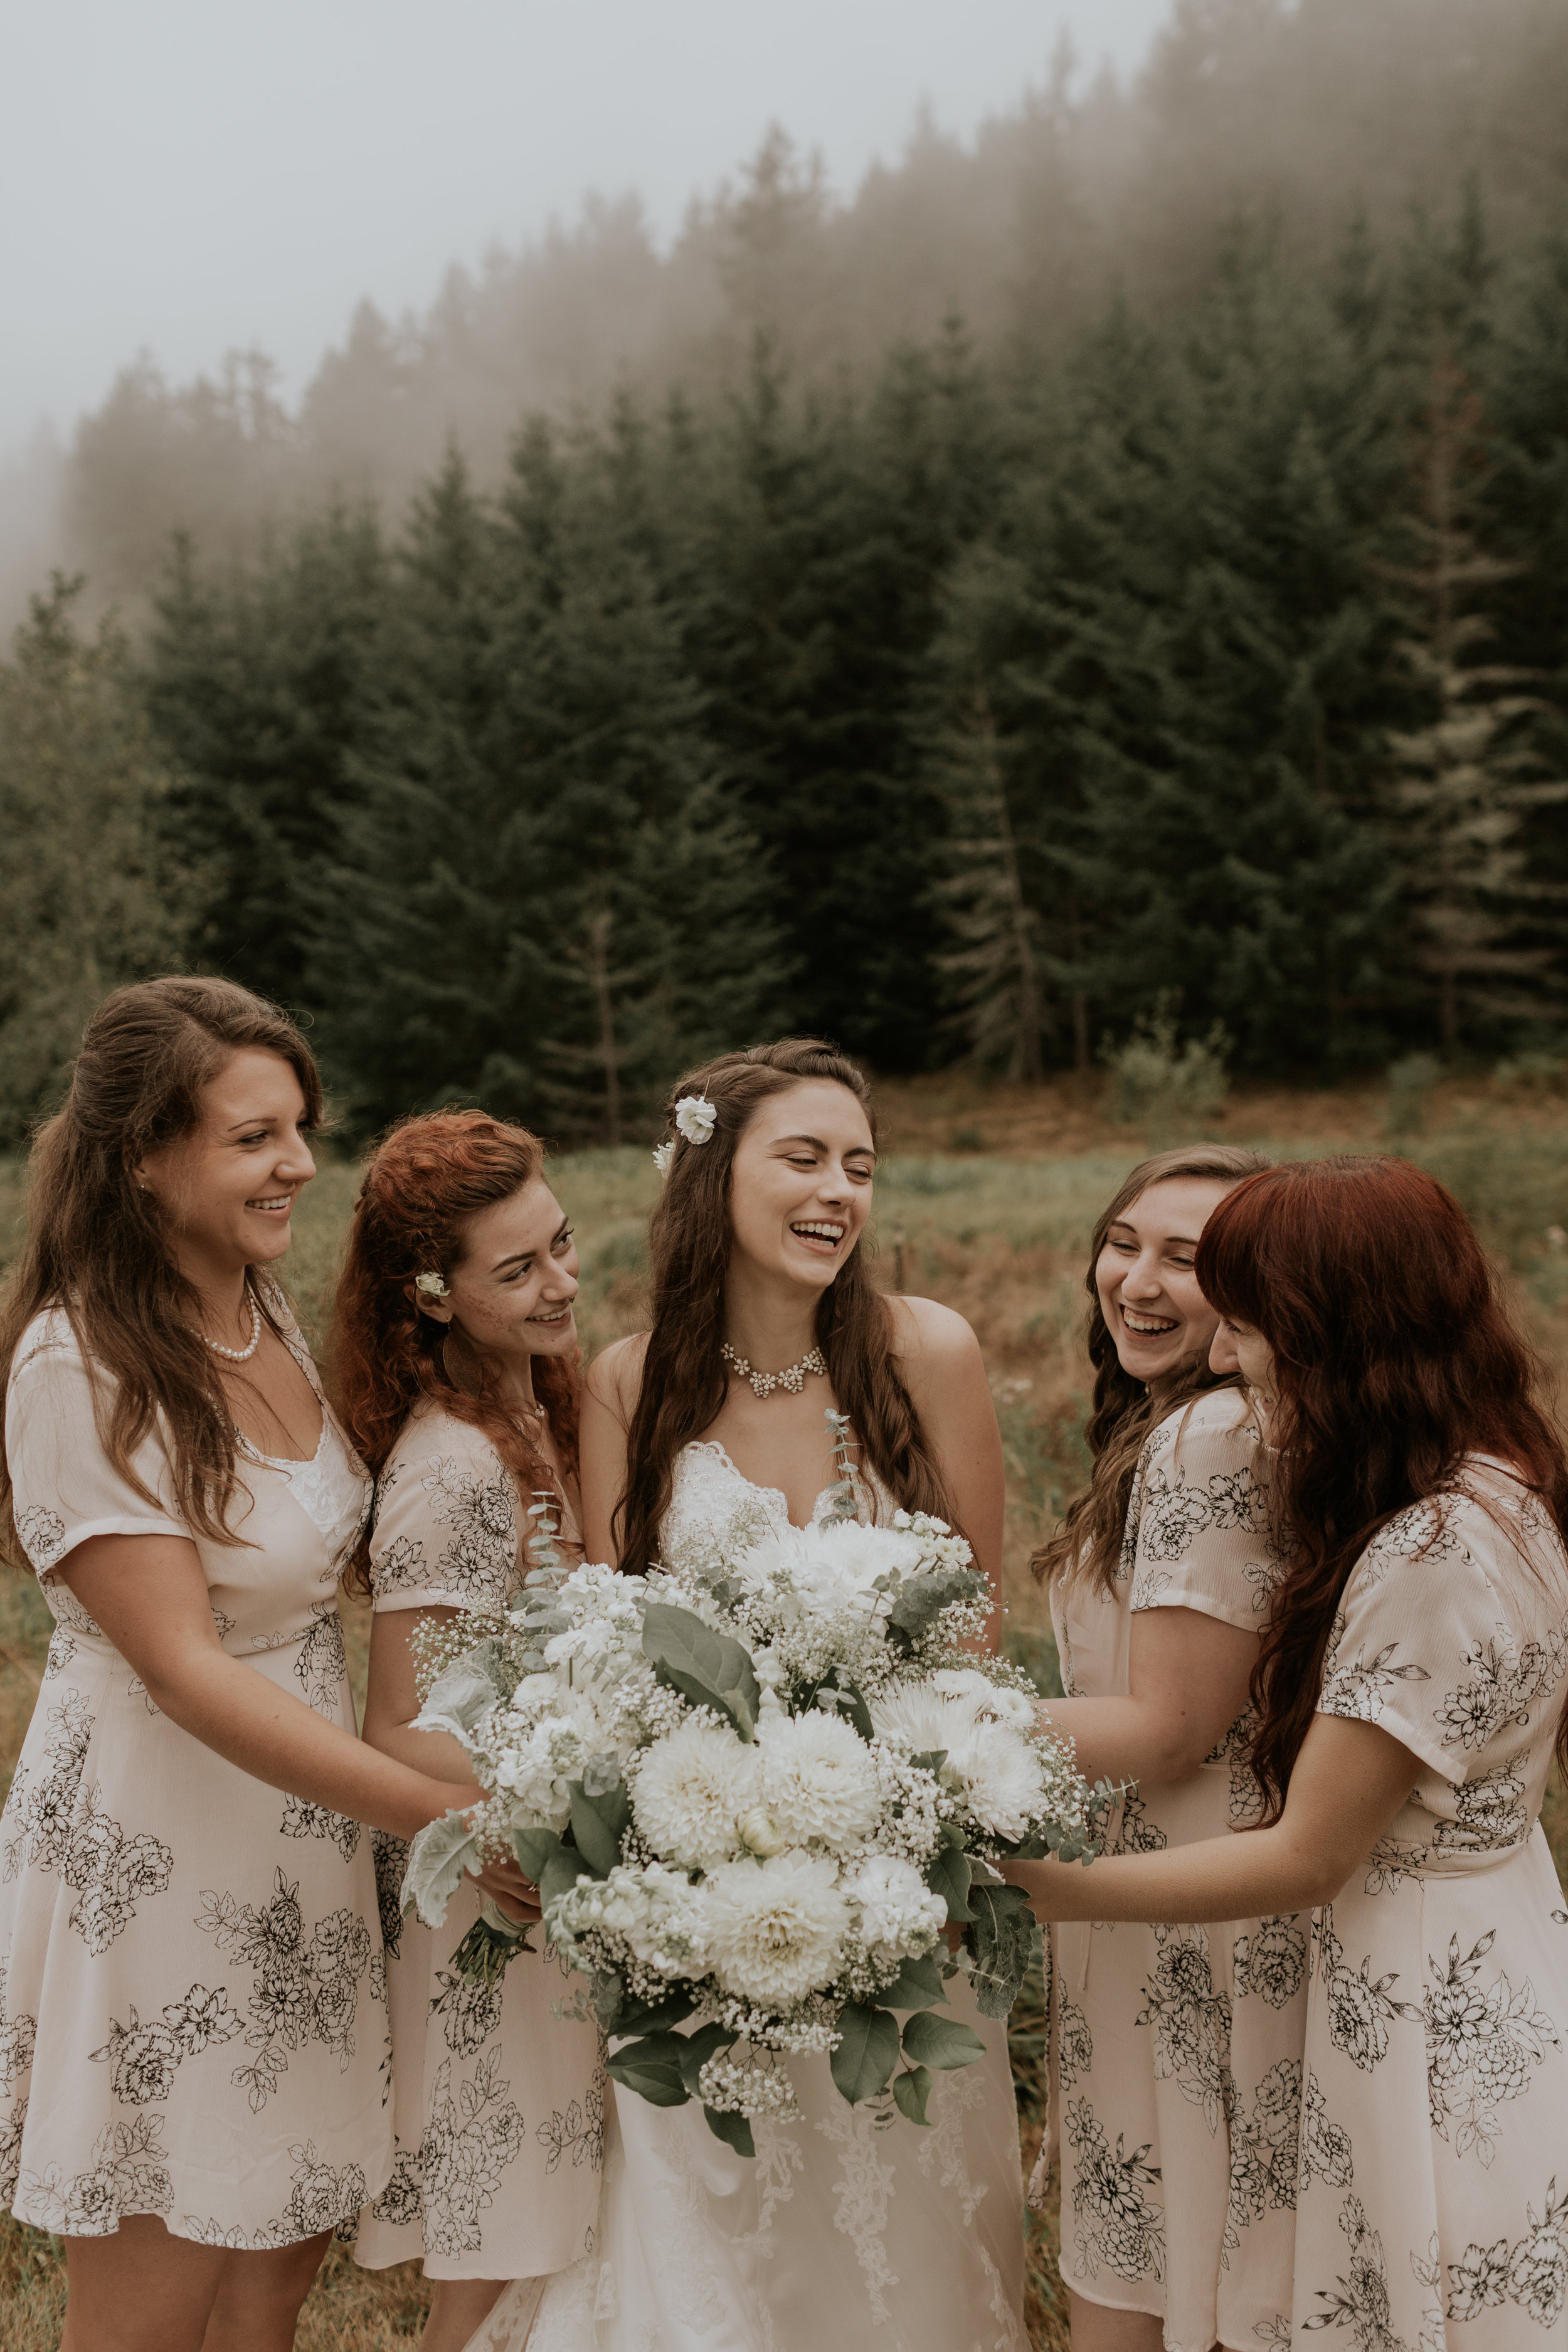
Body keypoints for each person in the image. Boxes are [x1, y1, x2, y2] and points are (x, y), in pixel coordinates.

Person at [1003, 1155, 1568, 2352]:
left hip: (1409, 1984)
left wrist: (1047, 1886)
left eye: (1249, 1328)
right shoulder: (1500, 1486)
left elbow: (1310, 1853)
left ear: (1340, 1339)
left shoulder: (1430, 1549)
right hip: (1474, 1946)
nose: (1222, 1358)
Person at [0, 977, 483, 2352]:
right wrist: (442, 1819)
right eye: (254, 1137)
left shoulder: (262, 1308)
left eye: (302, 1126)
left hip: (301, 1840)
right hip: (163, 1849)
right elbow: (184, 1671)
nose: (300, 1165)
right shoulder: (79, 1358)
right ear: (146, 1157)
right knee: (157, 2289)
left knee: (269, 2270)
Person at [529, 1036, 1027, 2351]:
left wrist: (934, 1844)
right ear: (710, 1175)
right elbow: (612, 1641)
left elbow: (974, 1626)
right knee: (723, 2236)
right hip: (704, 1884)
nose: (837, 1191)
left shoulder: (926, 1350)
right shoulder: (630, 1383)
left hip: (899, 1892)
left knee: (907, 2235)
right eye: (801, 1158)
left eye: (858, 1165)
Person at [1029, 1146, 1307, 2352]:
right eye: (1125, 1241)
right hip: (1152, 1884)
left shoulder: (1215, 1437)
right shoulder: (1178, 1425)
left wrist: (909, 1738)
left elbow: (1173, 1724)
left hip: (1198, 1896)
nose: (1137, 1281)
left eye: (1186, 1259)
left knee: (1168, 2253)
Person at [336, 1111, 605, 2352]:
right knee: (495, 2254)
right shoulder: (449, 1467)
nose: (560, 1282)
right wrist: (563, 1817)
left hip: (568, 1882)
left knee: (569, 2241)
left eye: (558, 1247)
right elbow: (399, 1729)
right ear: (435, 1298)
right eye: (519, 1270)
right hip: (496, 1890)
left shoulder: (547, 1404)